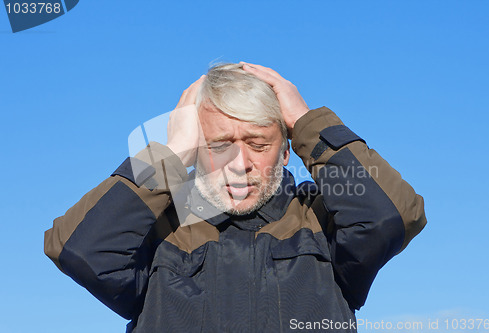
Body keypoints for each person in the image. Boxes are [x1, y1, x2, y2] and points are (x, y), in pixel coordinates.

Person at [44, 62, 426, 332]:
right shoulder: (158, 230)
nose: (240, 163)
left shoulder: (322, 220)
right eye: (219, 144)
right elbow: (77, 249)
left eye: (258, 144)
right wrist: (168, 155)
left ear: (288, 150)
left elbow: (392, 216)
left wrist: (308, 121)